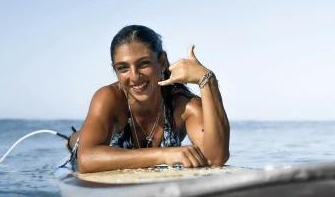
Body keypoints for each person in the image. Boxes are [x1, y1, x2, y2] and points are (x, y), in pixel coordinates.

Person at [68, 25, 230, 173]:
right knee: (79, 140)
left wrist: (207, 80)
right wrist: (164, 155)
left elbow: (215, 159)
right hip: (91, 143)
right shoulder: (109, 98)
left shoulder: (184, 105)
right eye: (123, 68)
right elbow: (86, 160)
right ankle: (73, 139)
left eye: (144, 63)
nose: (134, 76)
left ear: (162, 62)